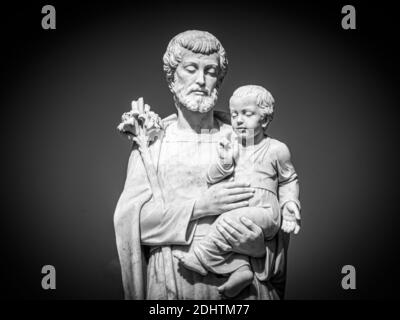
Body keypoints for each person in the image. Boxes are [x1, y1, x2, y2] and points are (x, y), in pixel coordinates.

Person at [113, 30, 301, 299]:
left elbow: (274, 209)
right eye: (191, 69)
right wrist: (200, 207)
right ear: (171, 77)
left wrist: (261, 249)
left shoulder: (245, 138)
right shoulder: (153, 143)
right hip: (175, 281)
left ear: (220, 79)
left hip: (244, 291)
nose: (201, 80)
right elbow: (132, 224)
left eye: (211, 71)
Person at [174, 85, 301, 297]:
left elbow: (289, 180)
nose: (239, 120)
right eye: (234, 114)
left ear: (265, 119)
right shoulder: (232, 146)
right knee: (229, 235)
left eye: (247, 114)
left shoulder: (277, 149)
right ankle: (241, 270)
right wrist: (225, 162)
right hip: (240, 209)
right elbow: (211, 178)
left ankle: (200, 257)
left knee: (225, 223)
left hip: (264, 210)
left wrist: (289, 205)